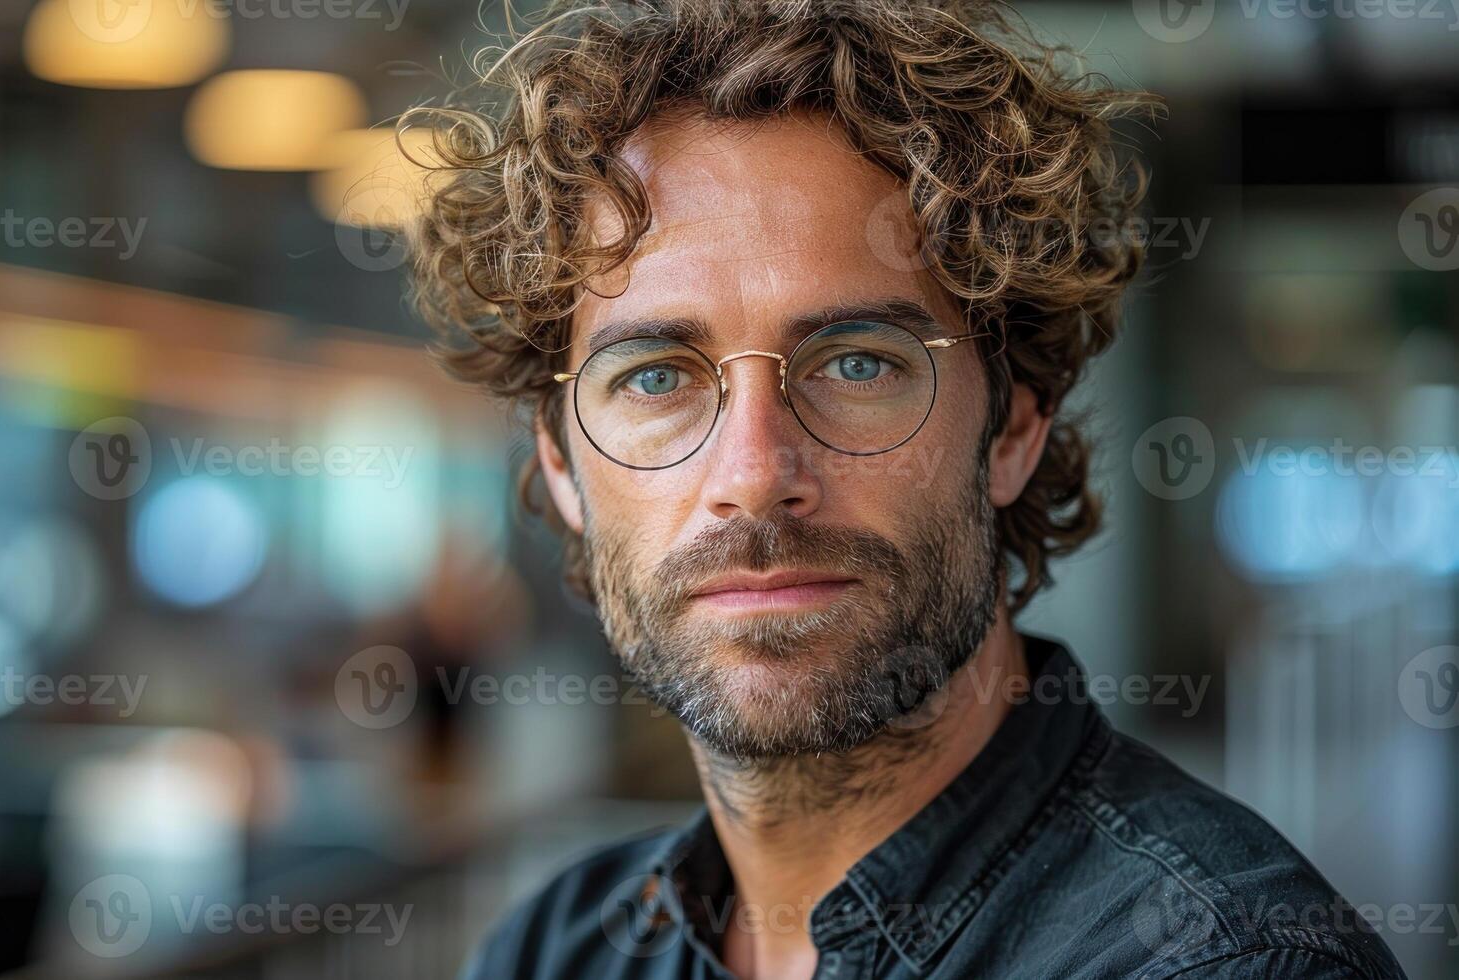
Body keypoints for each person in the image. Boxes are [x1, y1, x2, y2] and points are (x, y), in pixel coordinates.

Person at [401, 1, 1408, 976]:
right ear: (561, 466)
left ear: (1014, 424)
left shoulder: (1226, 961)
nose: (753, 475)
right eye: (656, 377)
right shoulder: (553, 948)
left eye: (858, 362)